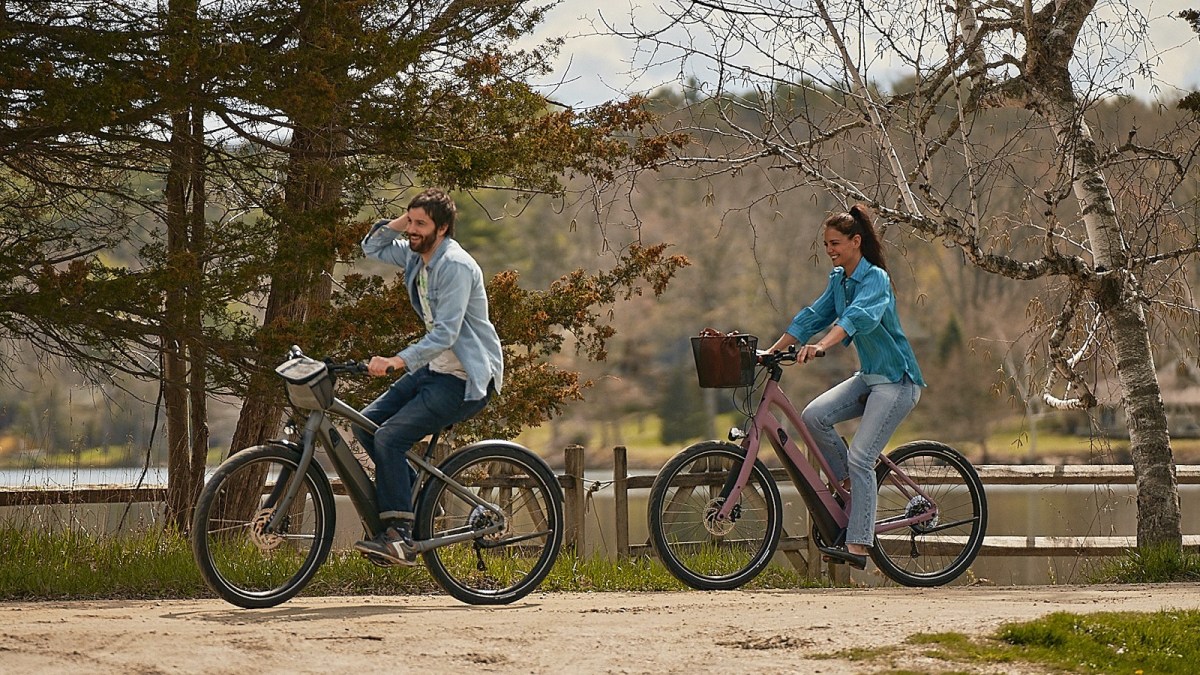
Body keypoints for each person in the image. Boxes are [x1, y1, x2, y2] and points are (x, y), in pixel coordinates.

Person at [766, 204, 925, 570]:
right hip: (869, 377)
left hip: (897, 381)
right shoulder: (839, 279)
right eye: (826, 245)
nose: (830, 250)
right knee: (814, 416)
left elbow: (857, 318)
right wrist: (772, 351)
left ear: (856, 242)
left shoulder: (876, 280)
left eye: (835, 243)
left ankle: (858, 545)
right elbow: (813, 316)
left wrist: (823, 345)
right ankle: (849, 486)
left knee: (861, 458)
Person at [352, 188, 504, 566]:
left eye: (422, 224)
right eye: (411, 222)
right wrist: (402, 221)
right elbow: (371, 247)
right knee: (365, 424)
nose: (413, 230)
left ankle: (399, 534)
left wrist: (397, 361)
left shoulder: (455, 265)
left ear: (444, 228)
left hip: (465, 378)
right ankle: (416, 504)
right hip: (435, 370)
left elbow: (446, 334)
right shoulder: (416, 255)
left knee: (389, 438)